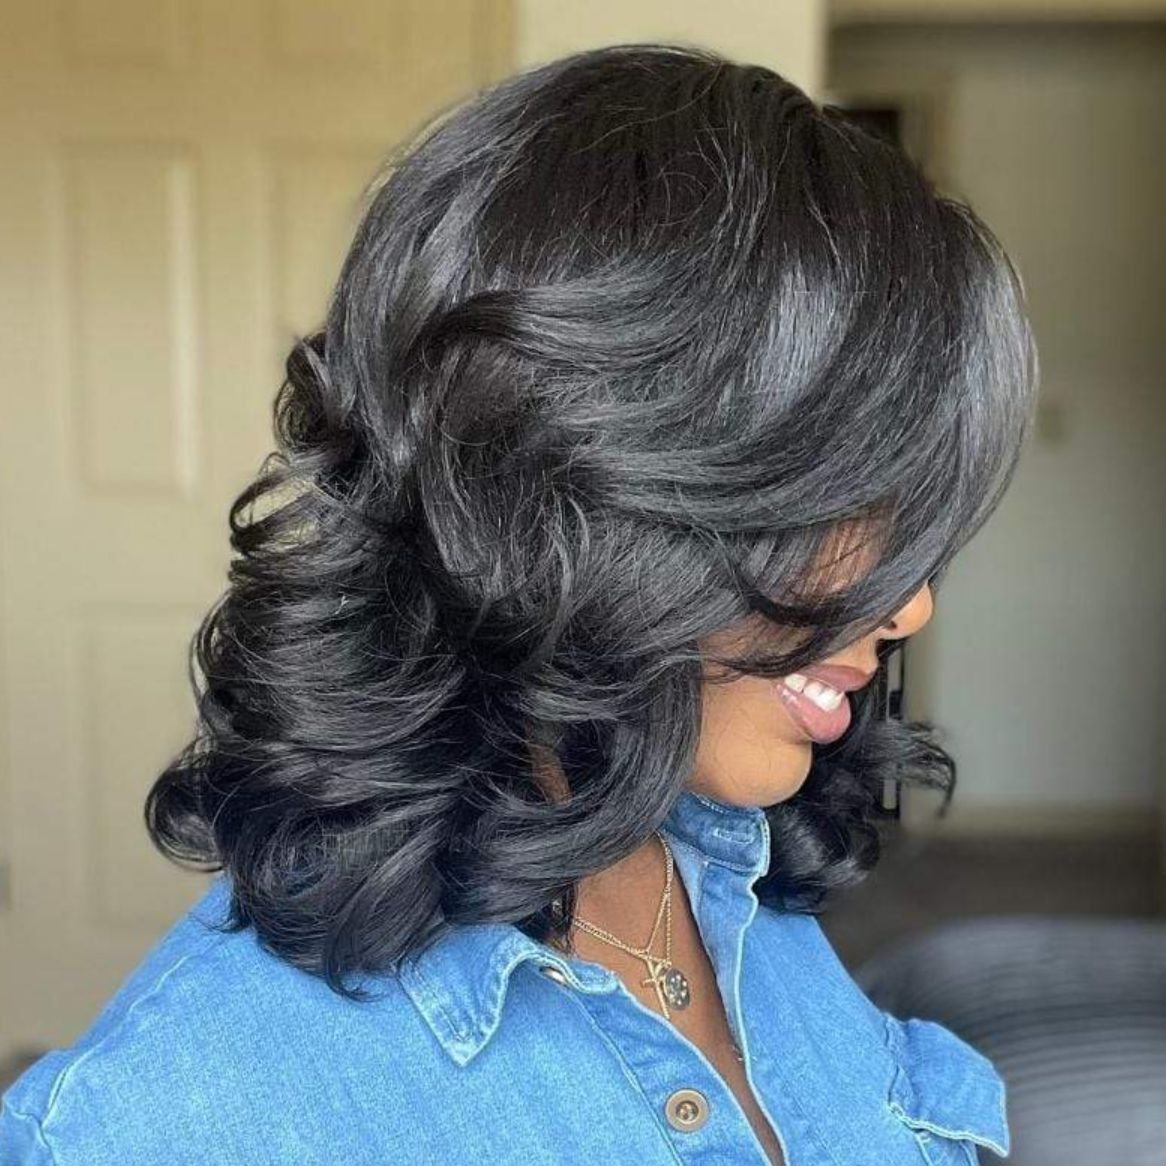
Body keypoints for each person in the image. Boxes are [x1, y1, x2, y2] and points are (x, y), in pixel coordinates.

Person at [0, 42, 1036, 1165]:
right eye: (837, 499)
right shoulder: (161, 1122)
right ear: (574, 476)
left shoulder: (720, 854)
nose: (909, 606)